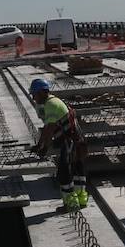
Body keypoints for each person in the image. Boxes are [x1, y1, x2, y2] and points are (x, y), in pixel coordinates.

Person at [29, 77, 88, 210]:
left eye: (34, 95)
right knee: (78, 170)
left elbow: (49, 130)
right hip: (76, 140)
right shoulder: (53, 102)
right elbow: (46, 129)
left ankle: (71, 204)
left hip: (69, 141)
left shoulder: (51, 105)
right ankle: (81, 199)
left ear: (42, 92)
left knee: (64, 172)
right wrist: (39, 144)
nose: (34, 99)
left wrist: (44, 148)